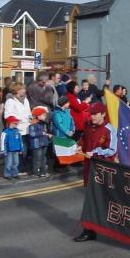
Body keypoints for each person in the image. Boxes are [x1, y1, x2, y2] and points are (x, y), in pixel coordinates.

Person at [74, 102, 117, 242]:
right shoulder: (88, 125)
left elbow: (112, 150)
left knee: (106, 201)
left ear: (103, 114)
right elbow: (84, 139)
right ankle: (89, 230)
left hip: (103, 170)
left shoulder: (109, 129)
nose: (91, 116)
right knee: (89, 200)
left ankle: (118, 229)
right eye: (91, 113)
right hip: (89, 169)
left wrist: (95, 153)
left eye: (94, 114)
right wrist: (80, 146)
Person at [4, 82, 32, 176]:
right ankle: (18, 169)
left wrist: (31, 118)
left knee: (25, 150)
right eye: (23, 89)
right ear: (17, 90)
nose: (25, 90)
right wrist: (18, 121)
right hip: (17, 130)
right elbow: (7, 115)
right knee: (19, 150)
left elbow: (28, 112)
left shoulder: (26, 100)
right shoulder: (10, 101)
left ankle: (22, 167)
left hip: (27, 128)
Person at [52, 96, 75, 173]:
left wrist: (72, 129)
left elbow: (72, 121)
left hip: (67, 134)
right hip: (60, 135)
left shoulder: (68, 111)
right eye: (67, 102)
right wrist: (68, 132)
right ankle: (58, 166)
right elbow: (59, 124)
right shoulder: (56, 113)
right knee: (60, 151)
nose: (69, 104)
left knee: (65, 150)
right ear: (63, 103)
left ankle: (64, 165)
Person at [28, 107, 52, 178]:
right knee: (37, 159)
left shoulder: (43, 123)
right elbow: (32, 134)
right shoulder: (33, 124)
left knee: (43, 158)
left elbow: (44, 132)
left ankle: (43, 172)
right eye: (43, 115)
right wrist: (43, 133)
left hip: (44, 143)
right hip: (37, 144)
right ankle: (36, 173)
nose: (45, 116)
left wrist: (48, 135)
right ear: (38, 116)